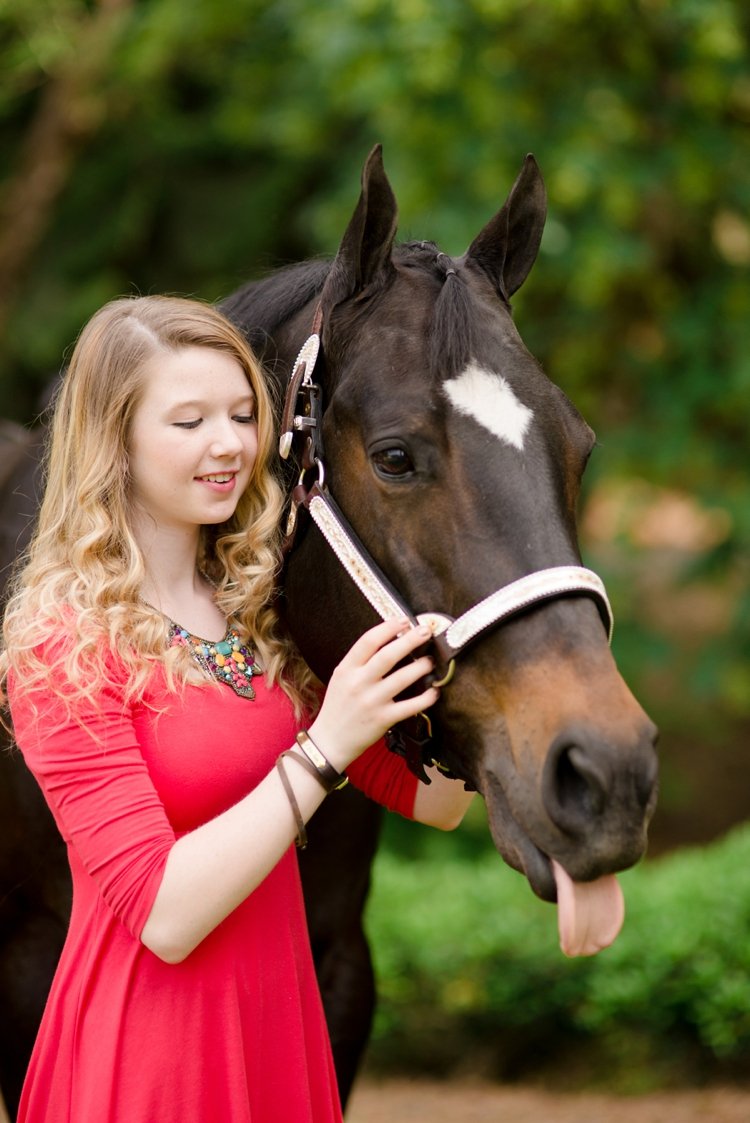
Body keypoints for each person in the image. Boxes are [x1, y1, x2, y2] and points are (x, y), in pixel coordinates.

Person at [0, 295, 473, 1123]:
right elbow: (165, 915)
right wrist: (325, 747)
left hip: (278, 1048)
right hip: (146, 1065)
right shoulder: (62, 643)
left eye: (244, 413)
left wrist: (469, 653)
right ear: (114, 442)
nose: (229, 444)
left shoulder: (268, 622)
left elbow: (438, 803)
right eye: (189, 421)